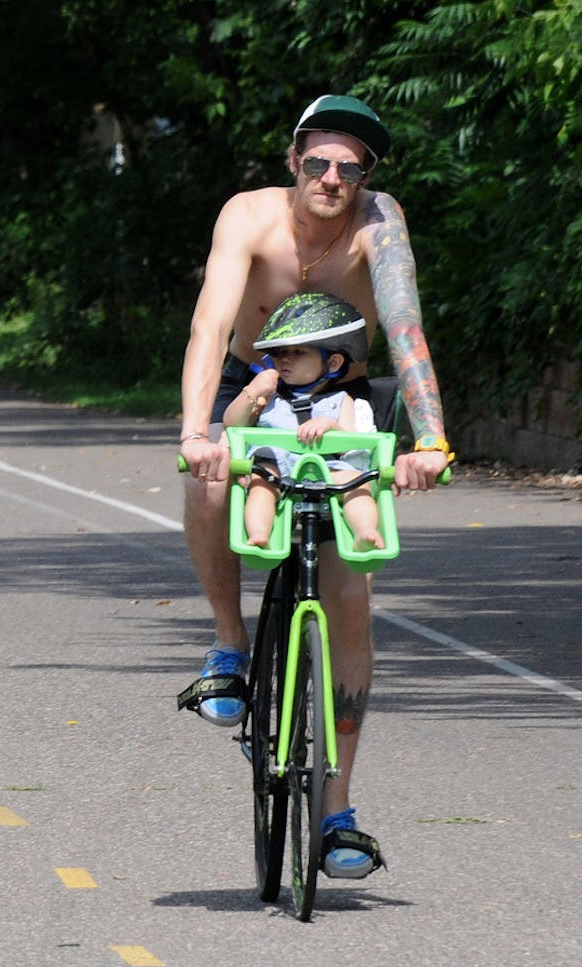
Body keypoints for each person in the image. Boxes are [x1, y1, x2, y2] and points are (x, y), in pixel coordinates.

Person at [176, 94, 451, 879]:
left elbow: (405, 326)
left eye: (351, 169)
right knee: (211, 483)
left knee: (350, 601)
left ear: (365, 178)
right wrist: (197, 432)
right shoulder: (248, 215)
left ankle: (336, 812)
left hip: (342, 399)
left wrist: (430, 438)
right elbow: (210, 324)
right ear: (295, 159)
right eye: (320, 161)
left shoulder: (379, 223)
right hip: (254, 381)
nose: (333, 178)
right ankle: (229, 647)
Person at [226, 293, 384, 552]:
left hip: (328, 466)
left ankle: (365, 531)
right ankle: (259, 533)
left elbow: (352, 444)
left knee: (358, 484)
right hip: (275, 464)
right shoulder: (269, 397)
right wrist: (252, 392)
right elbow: (233, 424)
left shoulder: (340, 400)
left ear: (333, 362)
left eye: (298, 352)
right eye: (280, 353)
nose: (285, 360)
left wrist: (331, 426)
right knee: (260, 485)